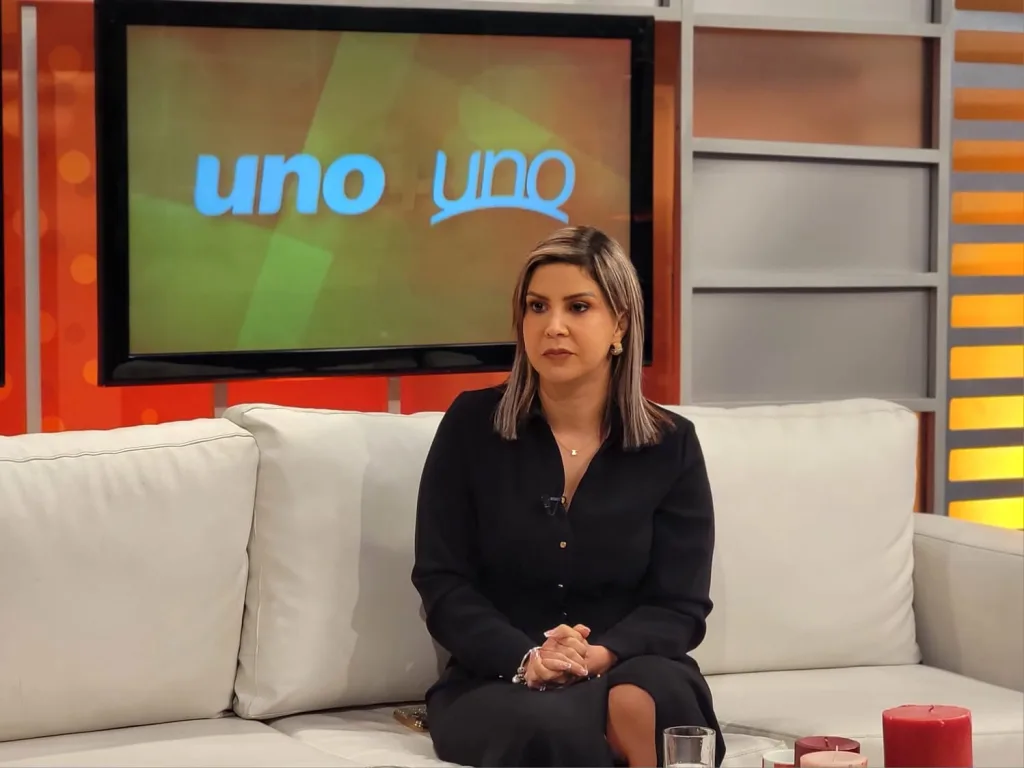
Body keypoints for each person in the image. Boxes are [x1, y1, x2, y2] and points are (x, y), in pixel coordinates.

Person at [411, 225, 725, 768]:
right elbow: (444, 582)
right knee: (551, 730)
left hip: (632, 663)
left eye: (578, 307)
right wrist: (528, 656)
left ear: (619, 324)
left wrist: (601, 654)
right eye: (537, 307)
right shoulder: (471, 426)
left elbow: (680, 605)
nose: (553, 326)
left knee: (653, 699)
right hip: (501, 676)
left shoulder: (670, 445)